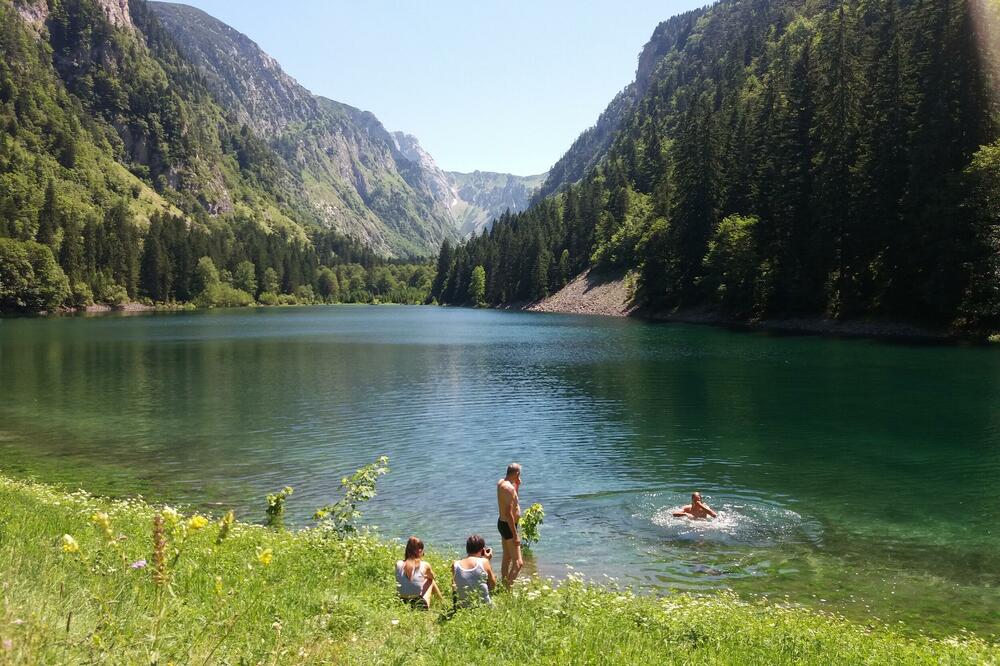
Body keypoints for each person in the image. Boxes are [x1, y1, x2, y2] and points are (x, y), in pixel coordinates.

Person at [395, 536, 444, 609]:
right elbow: (433, 577)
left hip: (401, 602)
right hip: (418, 604)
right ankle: (443, 603)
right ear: (420, 551)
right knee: (430, 581)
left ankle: (442, 602)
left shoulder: (398, 563)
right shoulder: (425, 564)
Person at [496, 462, 523, 586]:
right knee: (518, 563)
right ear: (517, 473)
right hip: (509, 525)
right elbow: (509, 513)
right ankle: (508, 590)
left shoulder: (501, 482)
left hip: (502, 524)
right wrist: (515, 534)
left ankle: (504, 583)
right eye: (519, 474)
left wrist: (516, 484)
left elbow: (513, 499)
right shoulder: (509, 489)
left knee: (507, 557)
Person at [452, 534, 496, 608]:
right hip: (484, 606)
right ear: (482, 550)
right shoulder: (484, 562)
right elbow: (493, 585)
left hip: (463, 607)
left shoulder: (455, 564)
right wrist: (487, 559)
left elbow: (454, 588)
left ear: (467, 549)